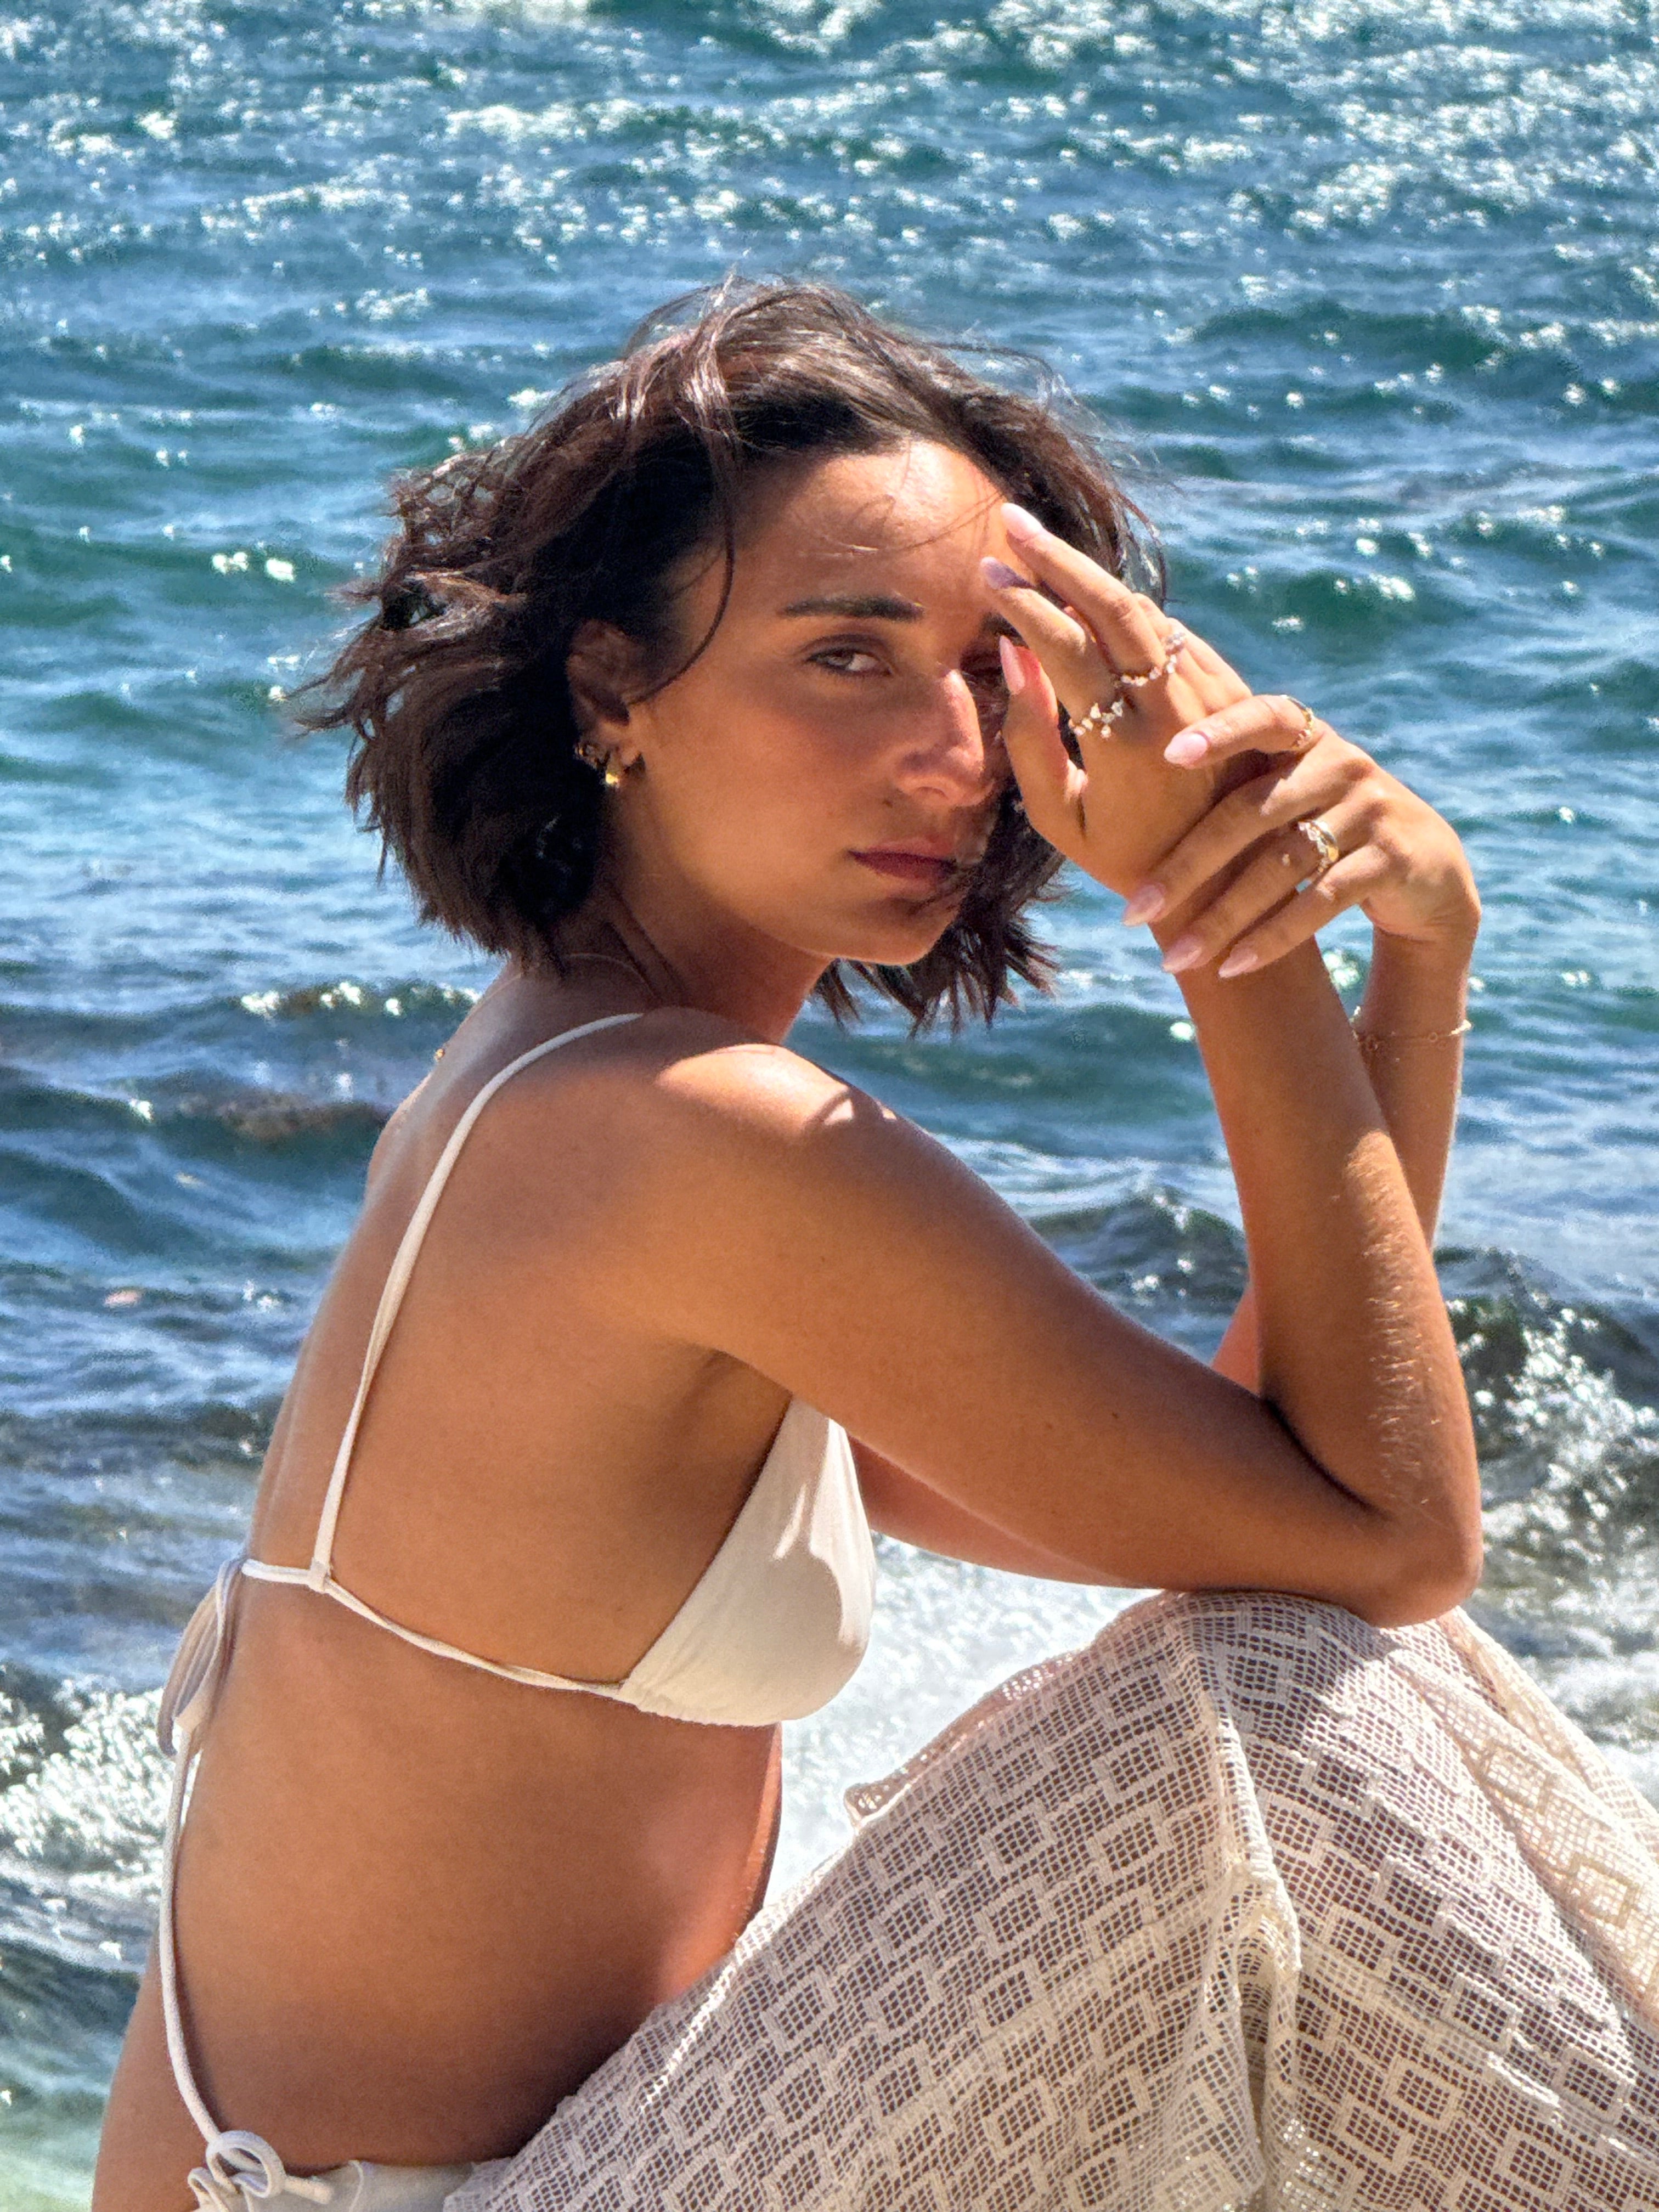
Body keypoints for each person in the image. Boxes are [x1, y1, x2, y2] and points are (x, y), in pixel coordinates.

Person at [92, 281, 1657, 2212]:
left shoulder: (557, 1077)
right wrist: (1212, 905)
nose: (952, 751)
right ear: (611, 692)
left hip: (497, 2166)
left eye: (990, 669)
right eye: (847, 657)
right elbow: (1392, 1533)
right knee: (1262, 1722)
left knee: (1299, 1670)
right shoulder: (690, 1145)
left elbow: (1292, 1463)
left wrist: (1415, 958)